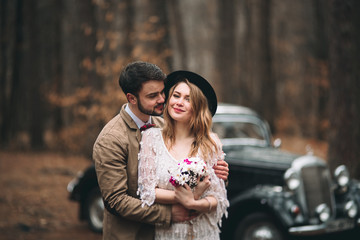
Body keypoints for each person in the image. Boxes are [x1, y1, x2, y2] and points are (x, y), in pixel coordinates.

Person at [93, 62, 229, 240]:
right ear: (132, 98)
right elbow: (116, 201)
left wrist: (219, 174)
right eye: (152, 95)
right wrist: (169, 213)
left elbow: (211, 188)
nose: (162, 99)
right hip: (132, 235)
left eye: (162, 92)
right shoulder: (111, 140)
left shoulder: (163, 125)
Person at [137, 70, 229, 240]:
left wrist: (193, 203)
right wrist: (184, 197)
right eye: (176, 96)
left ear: (198, 107)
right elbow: (148, 192)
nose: (179, 102)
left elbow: (218, 197)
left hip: (204, 232)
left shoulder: (211, 142)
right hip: (170, 232)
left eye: (188, 99)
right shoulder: (151, 138)